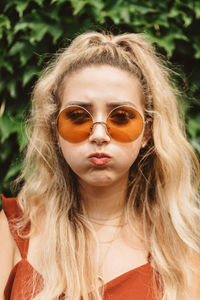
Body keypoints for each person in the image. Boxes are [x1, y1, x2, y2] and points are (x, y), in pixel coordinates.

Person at [0, 31, 200, 300]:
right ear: (54, 129)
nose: (99, 135)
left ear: (147, 133)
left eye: (121, 117)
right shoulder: (13, 229)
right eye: (78, 116)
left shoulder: (183, 243)